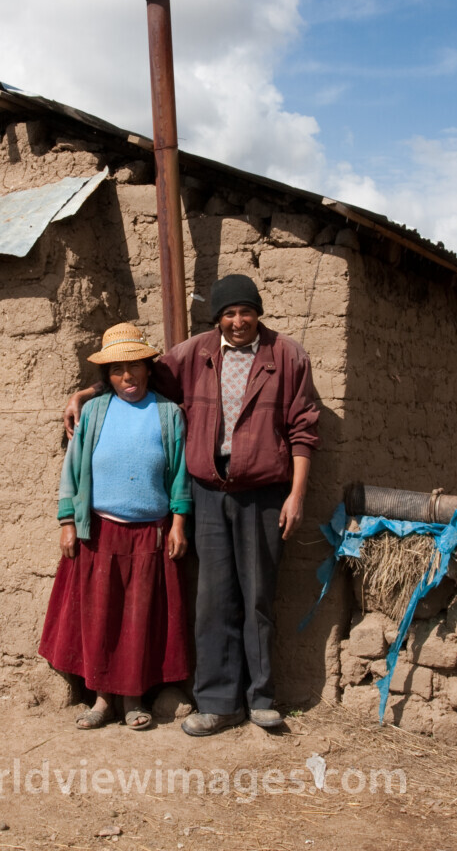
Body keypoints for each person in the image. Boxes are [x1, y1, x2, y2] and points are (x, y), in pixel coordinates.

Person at [65, 274, 319, 736]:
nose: (238, 321)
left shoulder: (286, 355)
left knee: (258, 597)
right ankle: (219, 703)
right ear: (217, 318)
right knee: (213, 599)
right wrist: (88, 393)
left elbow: (304, 428)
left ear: (257, 313)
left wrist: (296, 495)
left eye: (245, 312)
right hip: (207, 493)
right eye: (228, 313)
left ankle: (260, 698)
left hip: (263, 495)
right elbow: (136, 375)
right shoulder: (195, 352)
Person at [40, 322, 192, 730]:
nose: (128, 377)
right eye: (118, 370)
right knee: (102, 617)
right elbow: (73, 470)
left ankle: (133, 699)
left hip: (150, 533)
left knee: (139, 618)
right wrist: (68, 520)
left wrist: (178, 522)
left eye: (135, 367)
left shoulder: (167, 413)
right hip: (101, 533)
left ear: (147, 367)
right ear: (107, 376)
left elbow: (179, 473)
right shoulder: (93, 412)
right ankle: (103, 699)